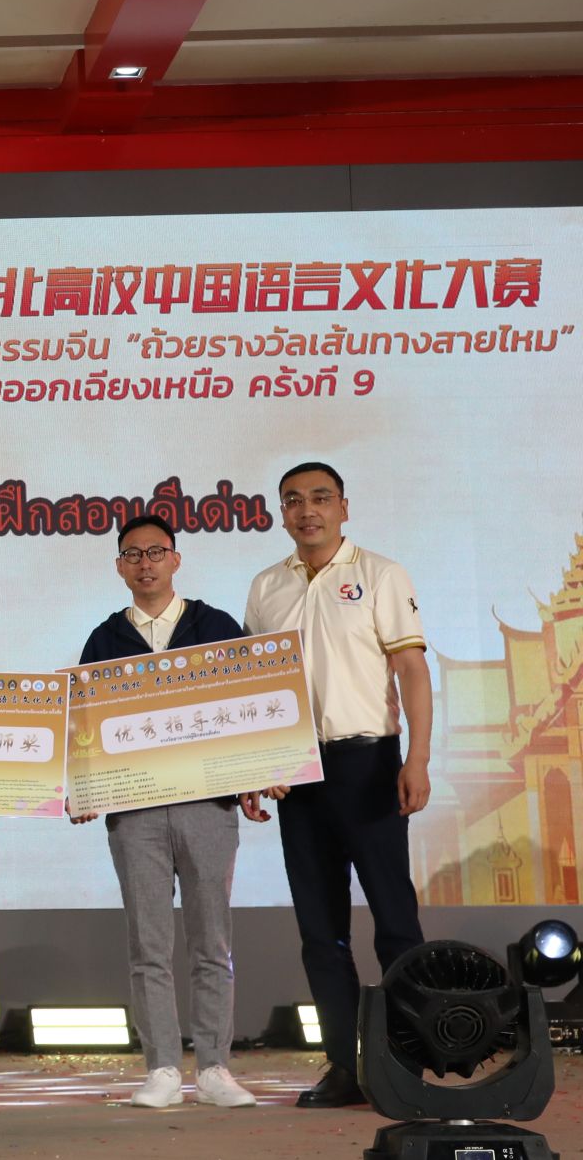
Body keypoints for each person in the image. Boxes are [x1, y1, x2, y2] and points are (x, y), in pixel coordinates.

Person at [245, 462, 430, 1109]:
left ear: (343, 507)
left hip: (369, 763)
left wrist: (418, 758)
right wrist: (253, 768)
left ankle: (408, 1061)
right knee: (320, 932)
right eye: (293, 500)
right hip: (297, 774)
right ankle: (344, 1065)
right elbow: (254, 688)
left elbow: (411, 668)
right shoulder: (267, 585)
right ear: (282, 513)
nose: (308, 511)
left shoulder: (381, 573)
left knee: (395, 921)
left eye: (320, 498)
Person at [72, 517, 259, 1109]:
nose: (145, 563)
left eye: (156, 552)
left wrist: (257, 773)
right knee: (148, 946)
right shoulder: (104, 640)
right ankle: (161, 1069)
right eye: (133, 554)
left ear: (176, 559)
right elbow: (84, 723)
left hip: (208, 805)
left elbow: (248, 704)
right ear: (119, 567)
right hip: (135, 813)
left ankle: (215, 1068)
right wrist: (82, 787)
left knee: (212, 943)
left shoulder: (215, 626)